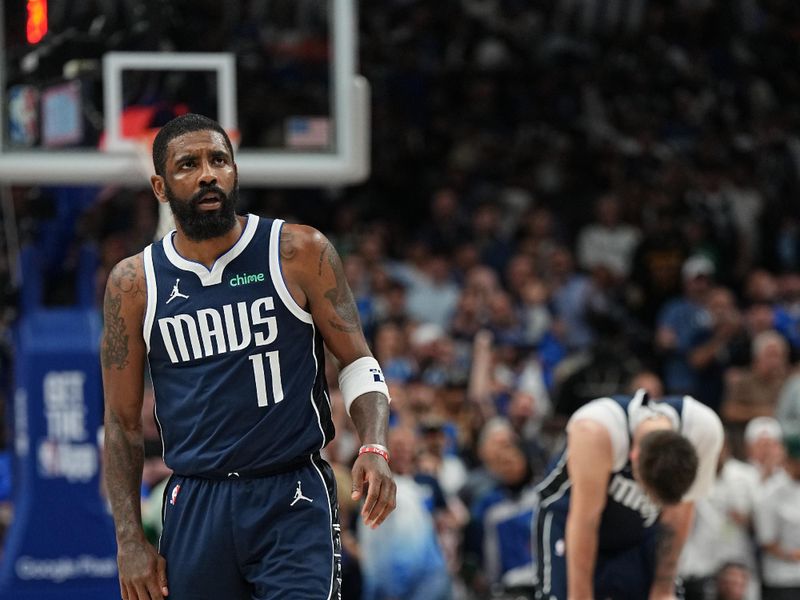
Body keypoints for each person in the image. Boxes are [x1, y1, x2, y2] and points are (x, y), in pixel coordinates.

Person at [100, 113, 396, 600]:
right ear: (159, 186)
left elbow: (359, 361)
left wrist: (374, 445)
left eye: (219, 160)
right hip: (196, 499)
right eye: (188, 164)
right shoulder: (133, 284)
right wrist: (129, 539)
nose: (207, 174)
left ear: (235, 171)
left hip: (292, 493)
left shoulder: (299, 251)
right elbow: (121, 422)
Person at [535, 388, 724, 600]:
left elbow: (677, 517)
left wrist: (662, 589)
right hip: (571, 520)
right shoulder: (595, 430)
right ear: (633, 456)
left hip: (640, 530)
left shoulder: (703, 429)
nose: (650, 501)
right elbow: (585, 522)